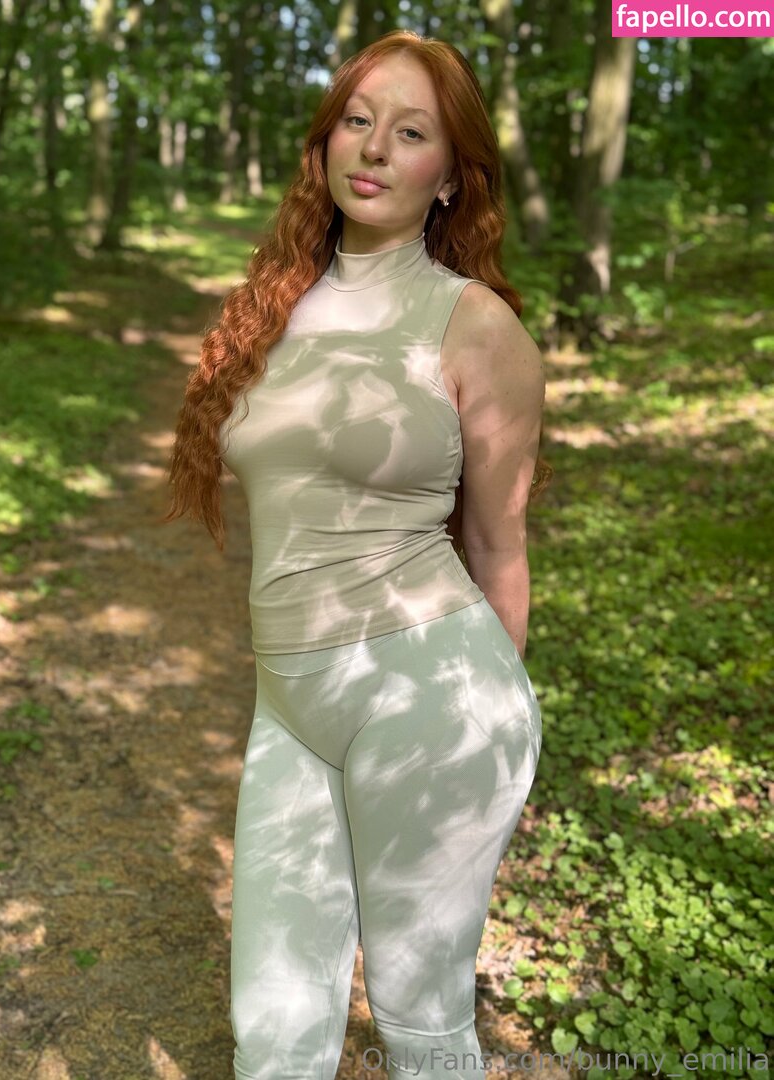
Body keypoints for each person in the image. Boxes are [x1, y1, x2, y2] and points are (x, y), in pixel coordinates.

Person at [162, 28, 552, 1080]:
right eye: (359, 120)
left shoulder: (474, 327)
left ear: (450, 178)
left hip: (431, 695)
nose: (375, 148)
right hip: (290, 706)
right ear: (326, 141)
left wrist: (486, 756)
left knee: (421, 1026)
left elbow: (496, 545)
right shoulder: (271, 309)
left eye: (412, 133)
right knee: (273, 1029)